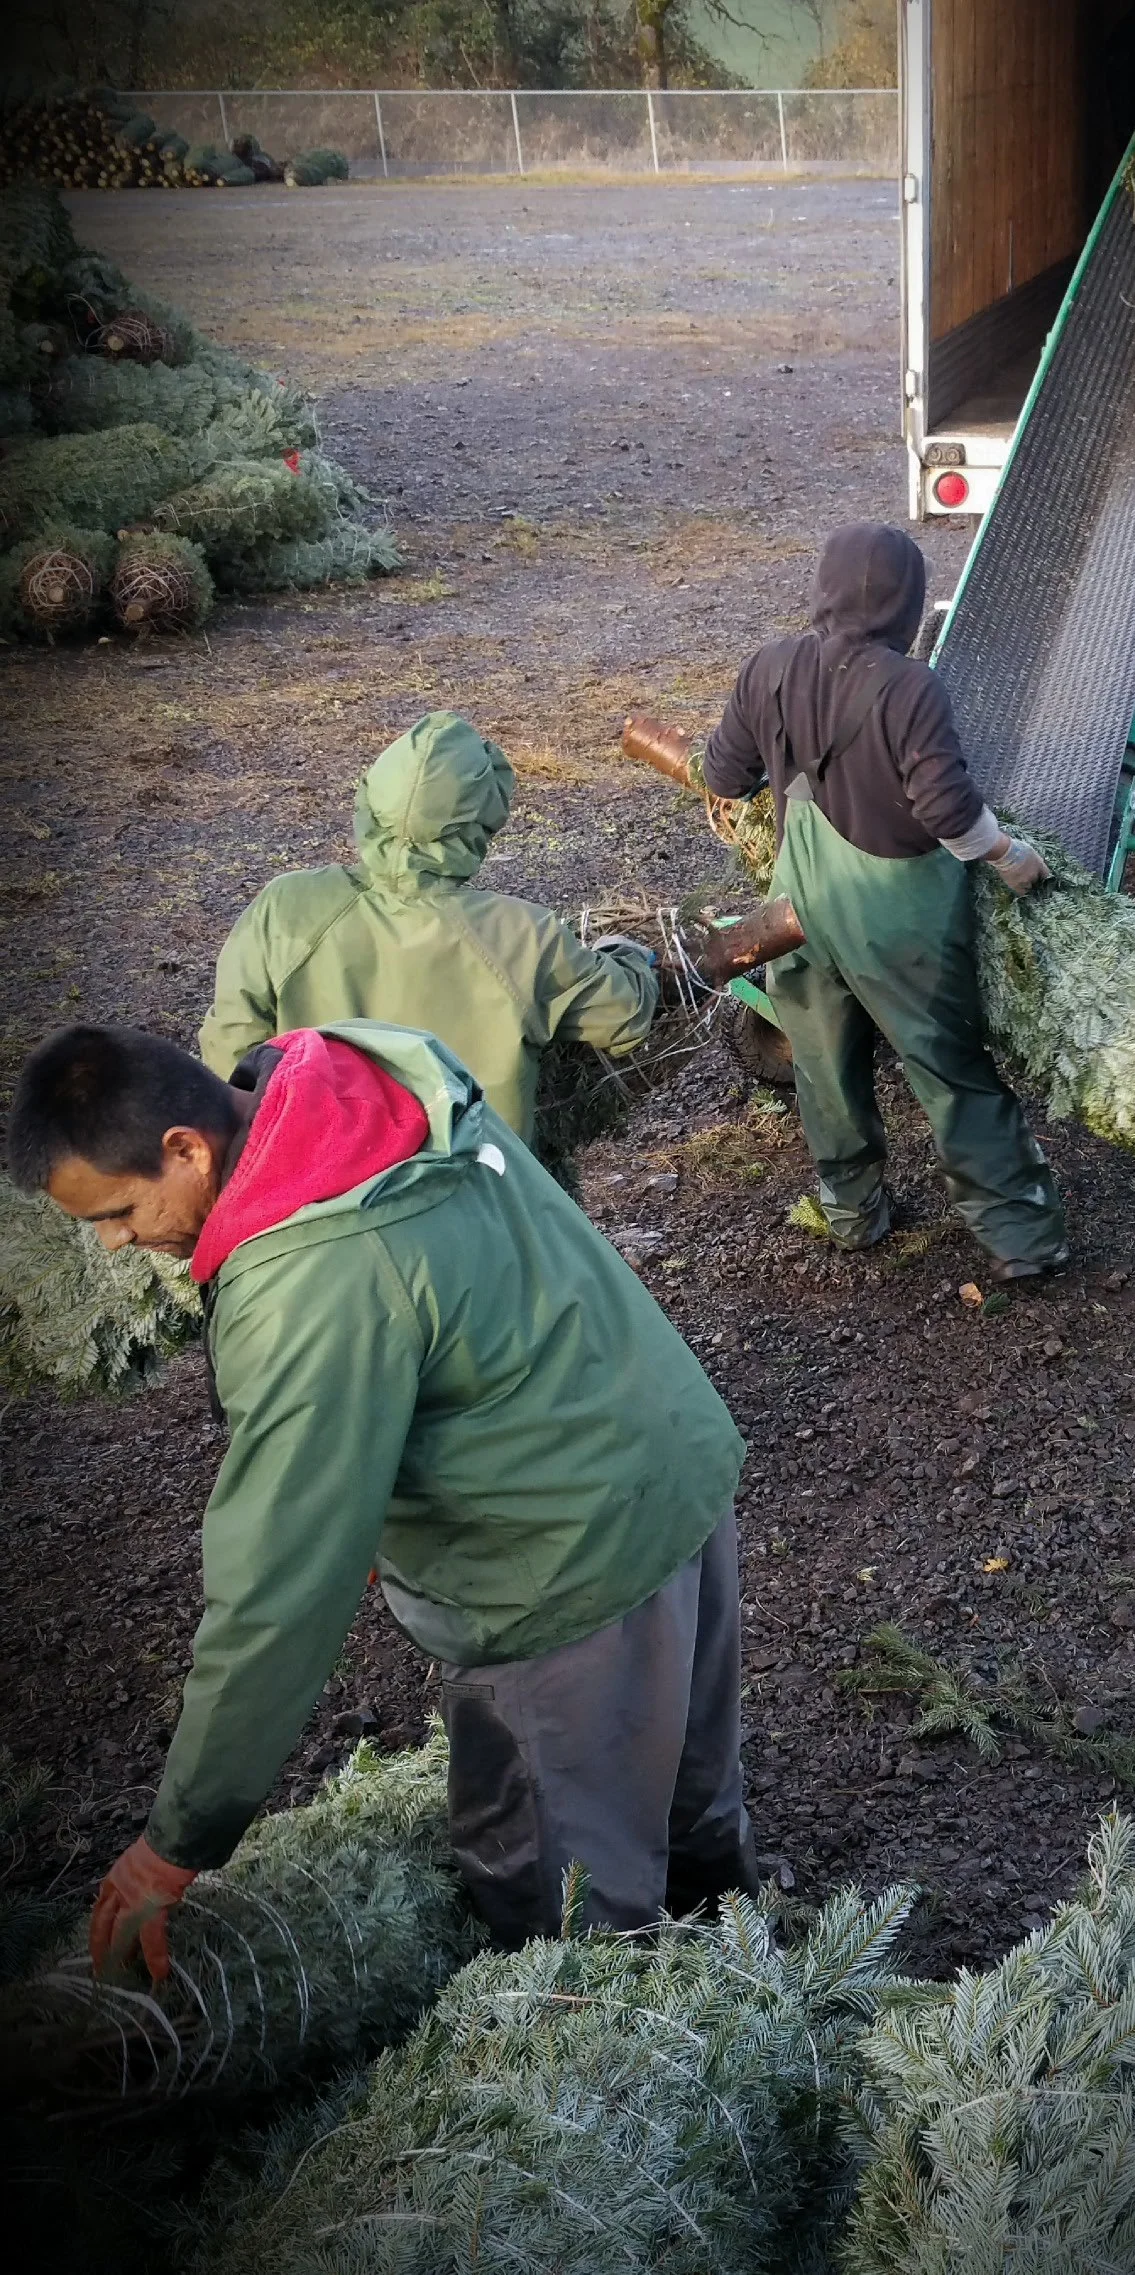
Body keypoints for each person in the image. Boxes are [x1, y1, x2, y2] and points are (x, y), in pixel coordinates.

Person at [8, 1019, 754, 1980]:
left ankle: (632, 2068)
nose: (115, 1244)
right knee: (688, 1786)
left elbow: (277, 1593)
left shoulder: (310, 1278)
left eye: (114, 1211)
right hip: (669, 1464)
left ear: (185, 1149)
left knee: (567, 1898)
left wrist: (177, 1837)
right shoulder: (368, 1075)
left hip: (555, 1566)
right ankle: (748, 1968)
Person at [704, 520, 1068, 1281]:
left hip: (796, 909)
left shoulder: (766, 668)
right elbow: (945, 809)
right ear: (908, 605)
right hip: (897, 913)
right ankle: (1019, 1240)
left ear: (822, 590)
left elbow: (725, 773)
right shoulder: (909, 686)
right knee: (947, 1066)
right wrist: (1007, 856)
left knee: (823, 1063)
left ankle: (851, 1213)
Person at [198, 710, 658, 1150]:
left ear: (370, 802)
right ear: (481, 823)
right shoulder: (520, 934)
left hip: (314, 1186)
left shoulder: (285, 906)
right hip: (473, 1193)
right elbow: (624, 1013)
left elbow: (230, 1048)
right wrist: (626, 951)